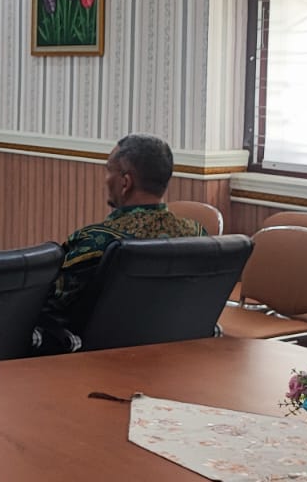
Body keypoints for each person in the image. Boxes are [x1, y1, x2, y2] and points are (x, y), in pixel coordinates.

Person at [35, 133, 208, 352]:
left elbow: (47, 303)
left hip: (96, 360)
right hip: (173, 356)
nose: (106, 178)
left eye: (109, 170)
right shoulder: (197, 235)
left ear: (125, 182)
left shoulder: (97, 241)